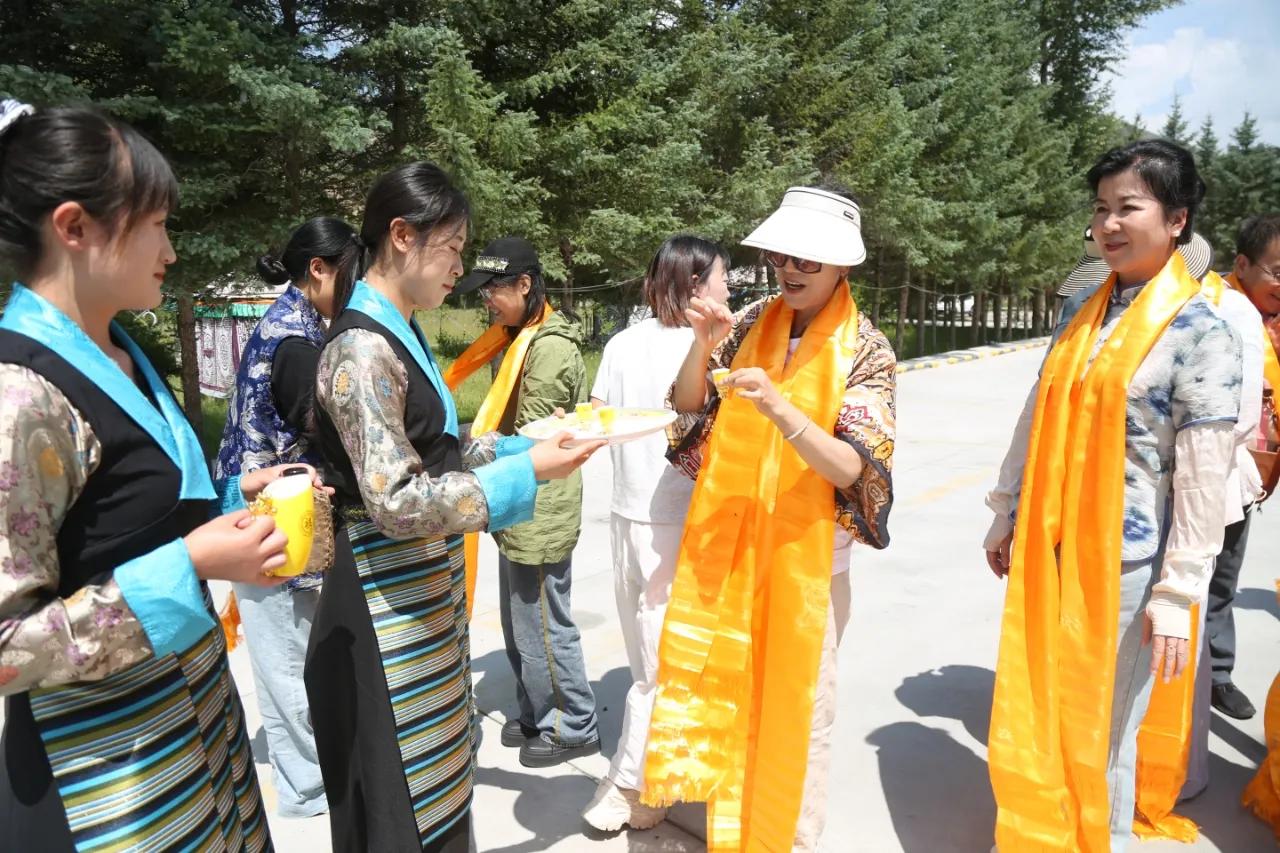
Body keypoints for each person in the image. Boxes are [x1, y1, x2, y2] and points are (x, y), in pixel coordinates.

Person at [0, 99, 298, 850]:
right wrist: (192, 564)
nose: (170, 249)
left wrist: (238, 497)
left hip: (197, 739)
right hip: (112, 780)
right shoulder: (21, 393)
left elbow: (128, 520)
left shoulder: (121, 351)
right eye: (156, 223)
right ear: (74, 227)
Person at [304, 164, 602, 852]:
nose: (461, 266)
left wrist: (522, 443)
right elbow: (397, 500)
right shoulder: (359, 347)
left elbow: (434, 454)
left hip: (417, 599)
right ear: (402, 236)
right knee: (401, 808)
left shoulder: (397, 331)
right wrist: (525, 471)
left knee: (436, 797)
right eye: (454, 245)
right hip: (381, 610)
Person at [983, 139, 1243, 852]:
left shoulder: (1201, 332)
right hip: (1049, 543)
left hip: (1126, 563)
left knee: (1105, 727)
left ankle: (1104, 838)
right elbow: (1037, 413)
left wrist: (1178, 588)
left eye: (1130, 206)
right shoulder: (1087, 312)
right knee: (1042, 707)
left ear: (1178, 218)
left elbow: (1201, 472)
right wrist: (1008, 508)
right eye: (1101, 209)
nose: (1109, 224)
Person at [645, 186, 896, 851]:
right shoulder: (755, 319)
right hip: (731, 547)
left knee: (799, 711)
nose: (791, 268)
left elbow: (857, 468)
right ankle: (733, 826)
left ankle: (789, 837)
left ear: (843, 267)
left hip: (807, 566)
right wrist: (703, 347)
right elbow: (687, 406)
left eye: (809, 259)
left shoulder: (866, 349)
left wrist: (784, 411)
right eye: (784, 253)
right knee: (727, 692)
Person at [213, 216, 362, 818]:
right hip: (271, 527)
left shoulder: (290, 325)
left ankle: (309, 781)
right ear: (318, 270)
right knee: (286, 666)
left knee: (289, 661)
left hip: (268, 520)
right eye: (348, 273)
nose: (354, 287)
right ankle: (306, 794)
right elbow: (332, 436)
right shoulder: (297, 344)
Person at [581, 235, 731, 831]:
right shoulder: (715, 346)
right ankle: (633, 787)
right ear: (695, 284)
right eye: (723, 276)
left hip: (628, 517)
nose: (729, 286)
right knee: (661, 665)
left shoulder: (621, 342)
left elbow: (594, 416)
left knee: (653, 658)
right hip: (677, 522)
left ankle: (653, 777)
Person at [447, 236, 599, 768]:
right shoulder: (515, 339)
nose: (486, 299)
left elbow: (536, 439)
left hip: (540, 504)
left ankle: (573, 723)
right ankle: (537, 710)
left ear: (525, 285)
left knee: (542, 623)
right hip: (518, 497)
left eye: (494, 289)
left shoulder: (549, 347)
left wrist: (467, 453)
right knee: (520, 620)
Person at [1208, 213, 1280, 720]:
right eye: (1278, 270)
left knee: (1225, 576)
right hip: (1210, 465)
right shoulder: (1211, 307)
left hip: (1255, 473)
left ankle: (1217, 675)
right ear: (1242, 264)